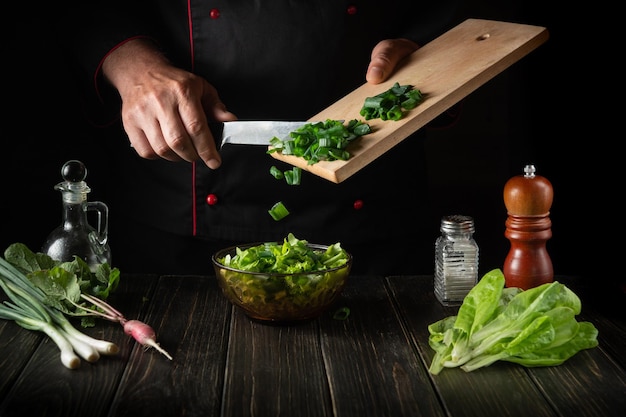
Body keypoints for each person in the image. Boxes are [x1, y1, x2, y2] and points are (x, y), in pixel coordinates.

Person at [61, 0, 463, 275]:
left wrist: (429, 58)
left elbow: (444, 14)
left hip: (372, 215)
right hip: (181, 221)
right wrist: (132, 66)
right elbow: (91, 10)